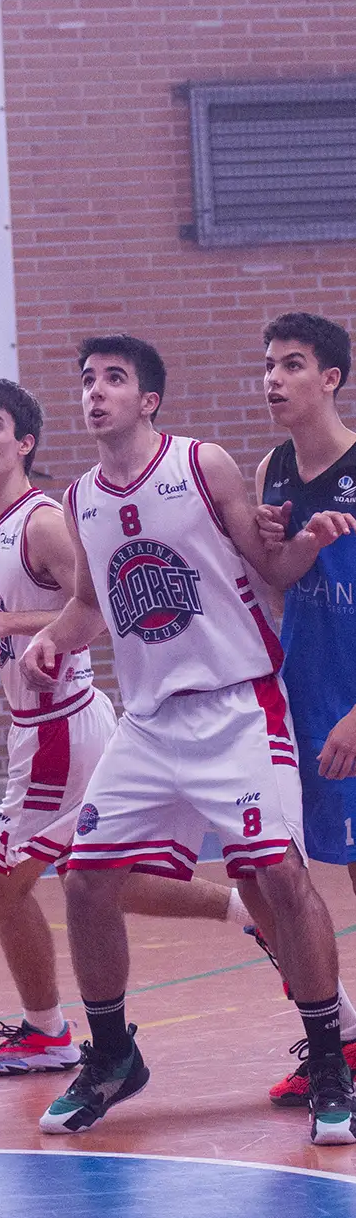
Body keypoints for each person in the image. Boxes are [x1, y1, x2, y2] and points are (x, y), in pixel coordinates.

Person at [20, 334, 356, 1144]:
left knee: (279, 875)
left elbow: (270, 569)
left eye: (113, 379)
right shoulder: (79, 499)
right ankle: (111, 1055)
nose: (95, 391)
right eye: (87, 380)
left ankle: (330, 1060)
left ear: (148, 400)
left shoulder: (203, 465)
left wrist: (301, 543)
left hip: (235, 703)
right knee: (84, 882)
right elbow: (90, 605)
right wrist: (51, 639)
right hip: (148, 719)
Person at [0, 379, 245, 1078]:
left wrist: (4, 622)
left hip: (59, 730)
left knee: (5, 888)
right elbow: (17, 635)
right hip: (46, 725)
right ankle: (247, 909)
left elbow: (94, 608)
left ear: (25, 443)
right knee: (101, 879)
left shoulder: (40, 522)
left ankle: (48, 1033)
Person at [253, 311, 356, 1104]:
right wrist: (274, 547)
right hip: (298, 692)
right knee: (271, 870)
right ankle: (337, 1035)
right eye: (267, 364)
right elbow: (274, 583)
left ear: (329, 378)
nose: (273, 378)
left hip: (351, 700)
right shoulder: (270, 469)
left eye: (291, 364)